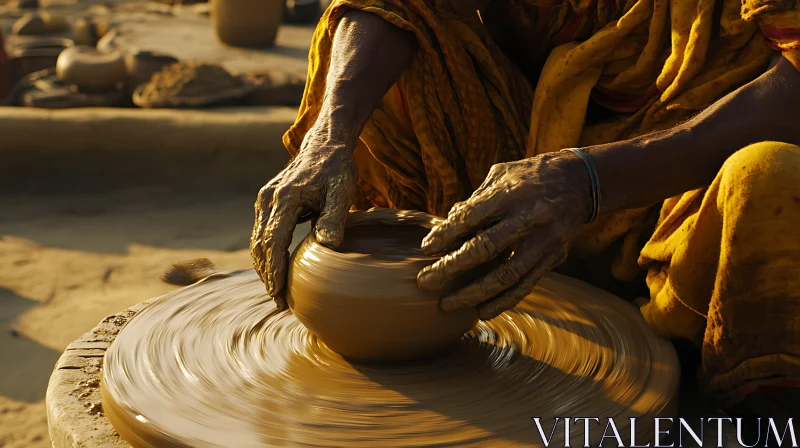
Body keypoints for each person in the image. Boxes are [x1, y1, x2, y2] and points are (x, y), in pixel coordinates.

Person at [250, 0, 800, 416]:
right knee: (371, 83)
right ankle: (429, 312)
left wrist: (586, 180)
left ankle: (726, 402)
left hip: (689, 176)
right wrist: (328, 138)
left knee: (772, 180)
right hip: (534, 150)